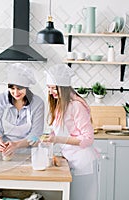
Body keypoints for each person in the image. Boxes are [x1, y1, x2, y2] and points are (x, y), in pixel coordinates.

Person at [43, 64, 99, 200]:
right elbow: (62, 131)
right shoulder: (60, 104)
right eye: (49, 88)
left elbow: (88, 139)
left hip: (83, 163)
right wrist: (50, 136)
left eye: (53, 88)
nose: (51, 92)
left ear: (64, 87)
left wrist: (57, 139)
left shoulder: (77, 106)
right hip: (71, 160)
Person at [0, 63, 45, 159]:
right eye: (12, 88)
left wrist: (16, 145)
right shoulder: (0, 100)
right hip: (3, 153)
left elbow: (35, 135)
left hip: (28, 155)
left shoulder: (37, 103)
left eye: (19, 88)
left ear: (26, 87)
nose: (15, 93)